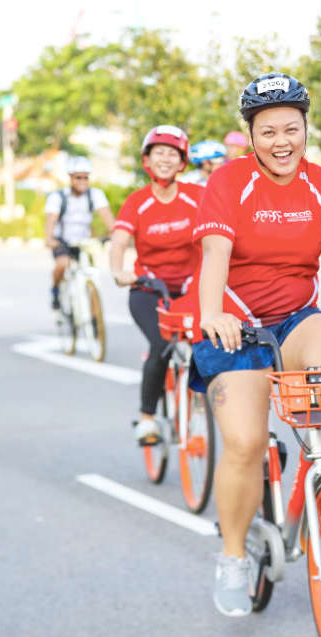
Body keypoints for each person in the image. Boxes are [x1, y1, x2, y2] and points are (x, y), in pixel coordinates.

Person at [193, 72, 321, 617]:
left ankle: (320, 477)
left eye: (291, 128)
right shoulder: (230, 182)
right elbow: (215, 251)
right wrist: (212, 312)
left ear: (306, 129)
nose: (281, 141)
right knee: (242, 443)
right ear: (251, 136)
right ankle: (235, 557)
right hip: (234, 322)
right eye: (268, 132)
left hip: (293, 317)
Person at [108, 125, 204, 445]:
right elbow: (119, 241)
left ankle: (204, 404)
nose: (165, 159)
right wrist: (118, 270)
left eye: (172, 154)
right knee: (162, 345)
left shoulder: (196, 197)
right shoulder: (137, 203)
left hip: (193, 288)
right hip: (148, 289)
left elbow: (221, 230)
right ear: (147, 160)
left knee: (211, 343)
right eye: (158, 152)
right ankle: (147, 419)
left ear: (182, 163)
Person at [43, 156, 114, 309]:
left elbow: (108, 218)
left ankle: (95, 321)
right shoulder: (58, 197)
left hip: (84, 242)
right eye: (78, 177)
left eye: (86, 177)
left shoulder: (95, 194)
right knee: (62, 265)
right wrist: (49, 239)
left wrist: (114, 234)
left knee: (91, 276)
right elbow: (51, 220)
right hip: (62, 240)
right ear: (70, 178)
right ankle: (55, 290)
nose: (82, 181)